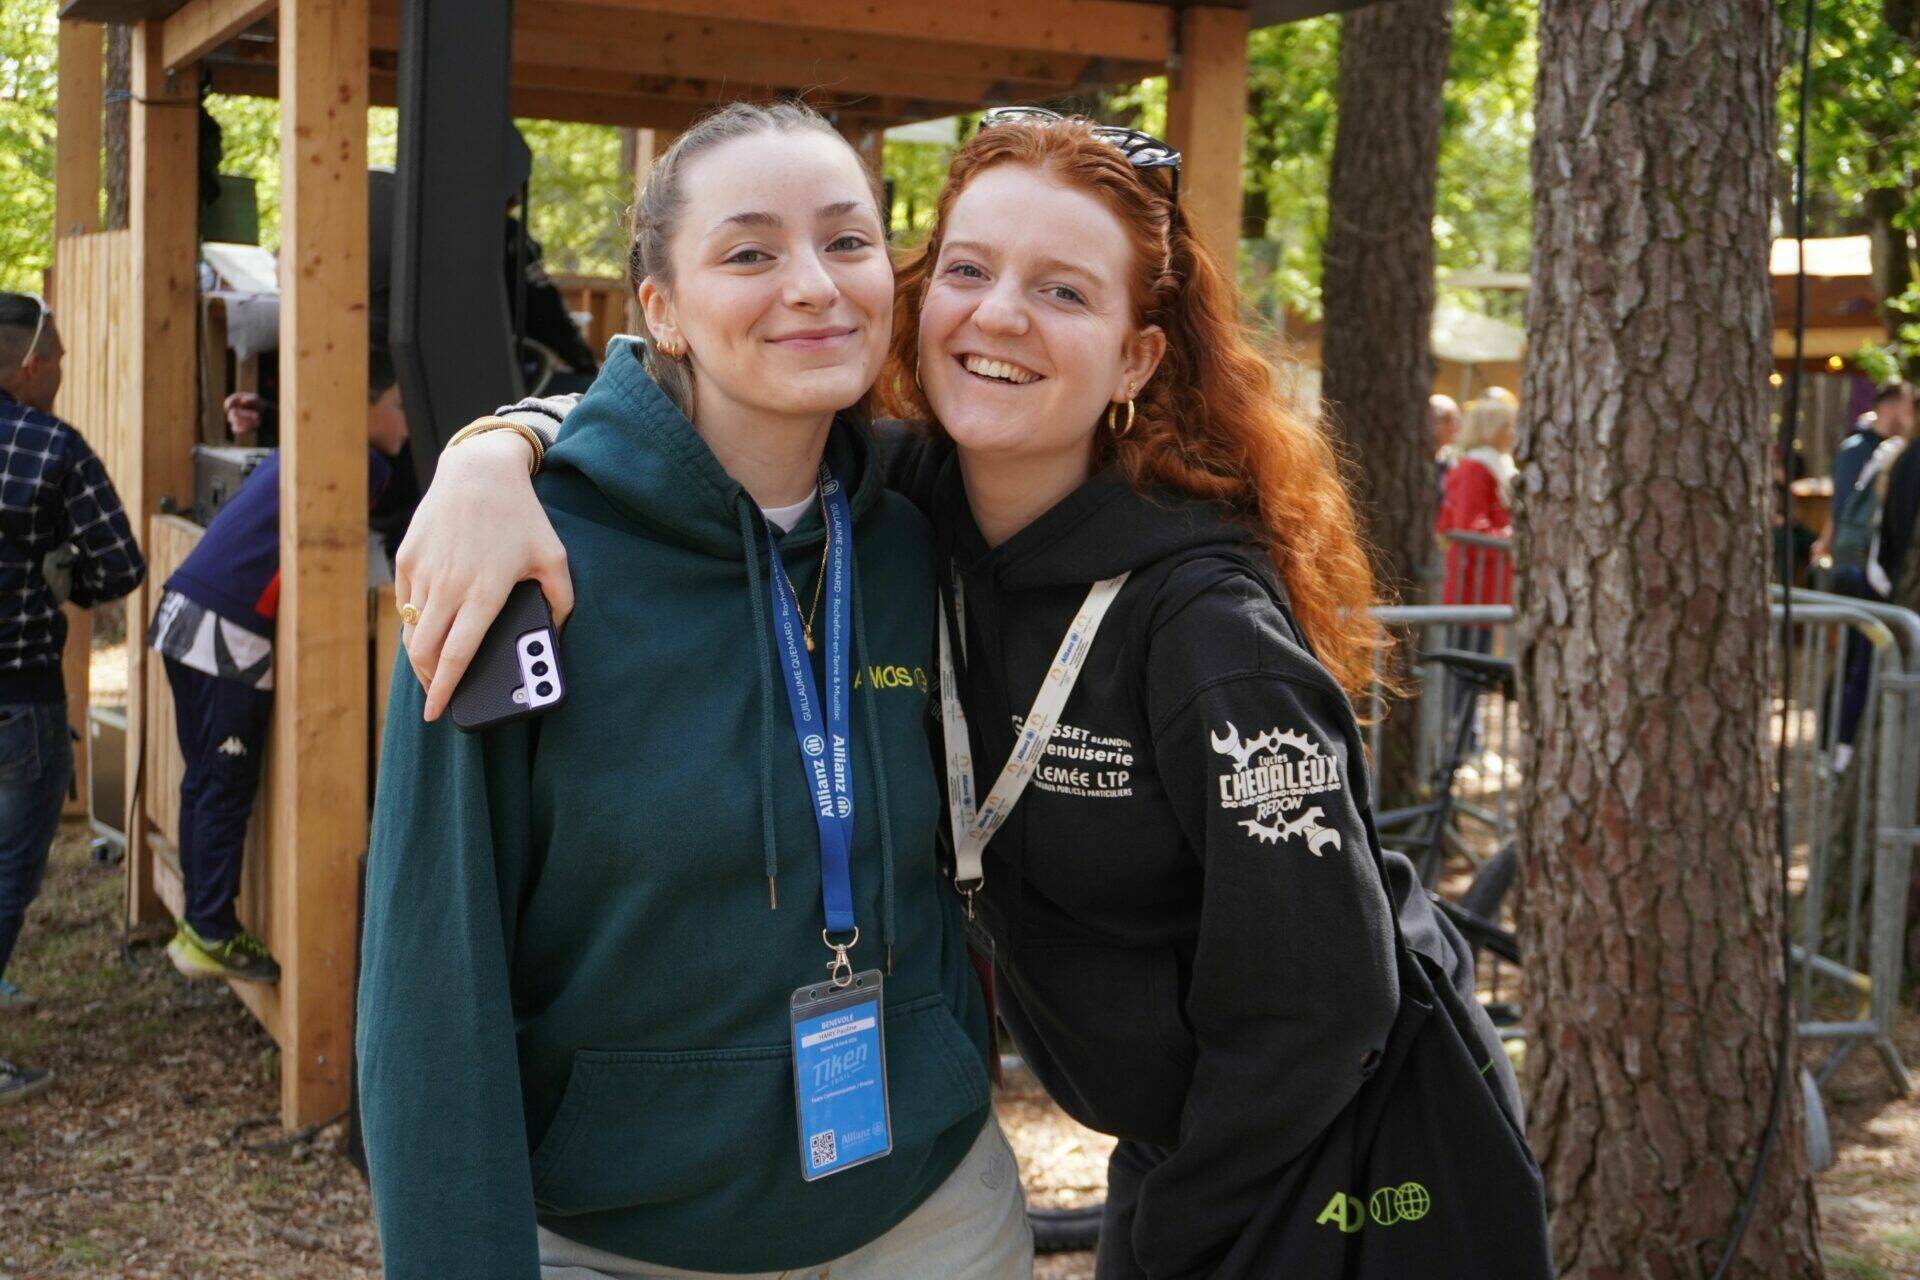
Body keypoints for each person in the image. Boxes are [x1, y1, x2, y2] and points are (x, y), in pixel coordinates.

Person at [397, 111, 1543, 1277]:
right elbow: (689, 438)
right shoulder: (904, 508)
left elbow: (1323, 1004)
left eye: (1063, 291)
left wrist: (1182, 1232)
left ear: (1136, 358)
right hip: (1158, 1144)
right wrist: (494, 449)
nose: (999, 315)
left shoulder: (1201, 625)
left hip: (1346, 1153)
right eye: (969, 270)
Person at [357, 103, 1027, 1280]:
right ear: (658, 307)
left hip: (931, 1209)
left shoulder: (923, 529)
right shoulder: (520, 556)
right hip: (623, 1234)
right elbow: (430, 972)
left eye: (848, 241)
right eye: (749, 251)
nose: (813, 285)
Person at [146, 346, 409, 985]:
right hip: (226, 633)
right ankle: (209, 931)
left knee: (205, 778)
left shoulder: (308, 446)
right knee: (225, 782)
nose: (406, 421)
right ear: (364, 407)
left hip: (184, 612)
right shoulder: (362, 463)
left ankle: (199, 924)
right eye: (398, 406)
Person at [0, 292, 146, 1104]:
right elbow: (119, 566)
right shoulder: (50, 446)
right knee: (8, 874)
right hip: (19, 700)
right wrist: (65, 575)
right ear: (30, 364)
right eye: (55, 362)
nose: (59, 376)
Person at [1823, 380, 1917, 769]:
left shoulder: (1889, 452)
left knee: (1856, 660)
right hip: (1861, 570)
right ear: (1891, 405)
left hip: (1868, 569)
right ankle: (1837, 745)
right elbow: (1845, 507)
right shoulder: (1861, 451)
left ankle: (1836, 745)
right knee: (1855, 660)